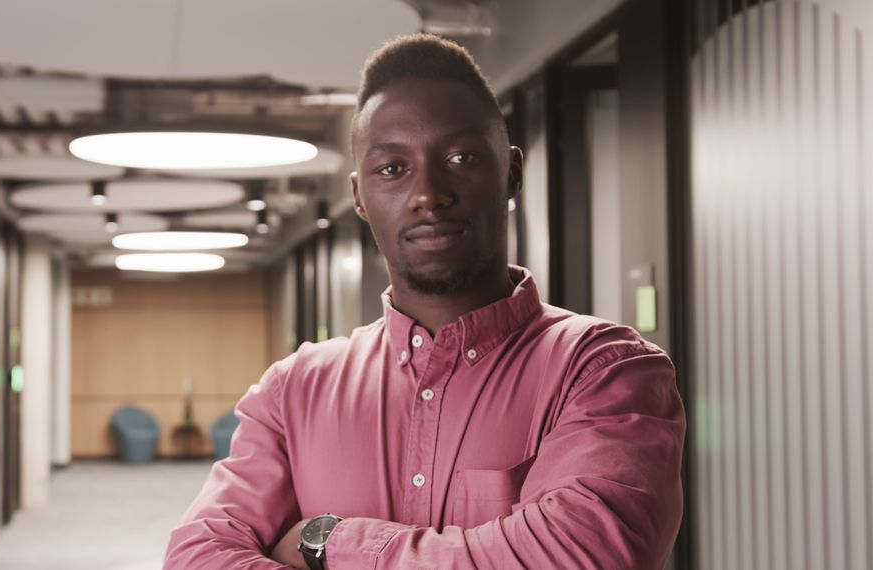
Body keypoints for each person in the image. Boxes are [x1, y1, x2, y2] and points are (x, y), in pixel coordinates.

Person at [165, 34, 685, 570]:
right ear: (359, 197)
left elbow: (583, 557)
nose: (428, 194)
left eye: (460, 157)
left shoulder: (603, 370)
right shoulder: (292, 390)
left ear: (510, 172)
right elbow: (196, 557)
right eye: (392, 168)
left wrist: (329, 542)